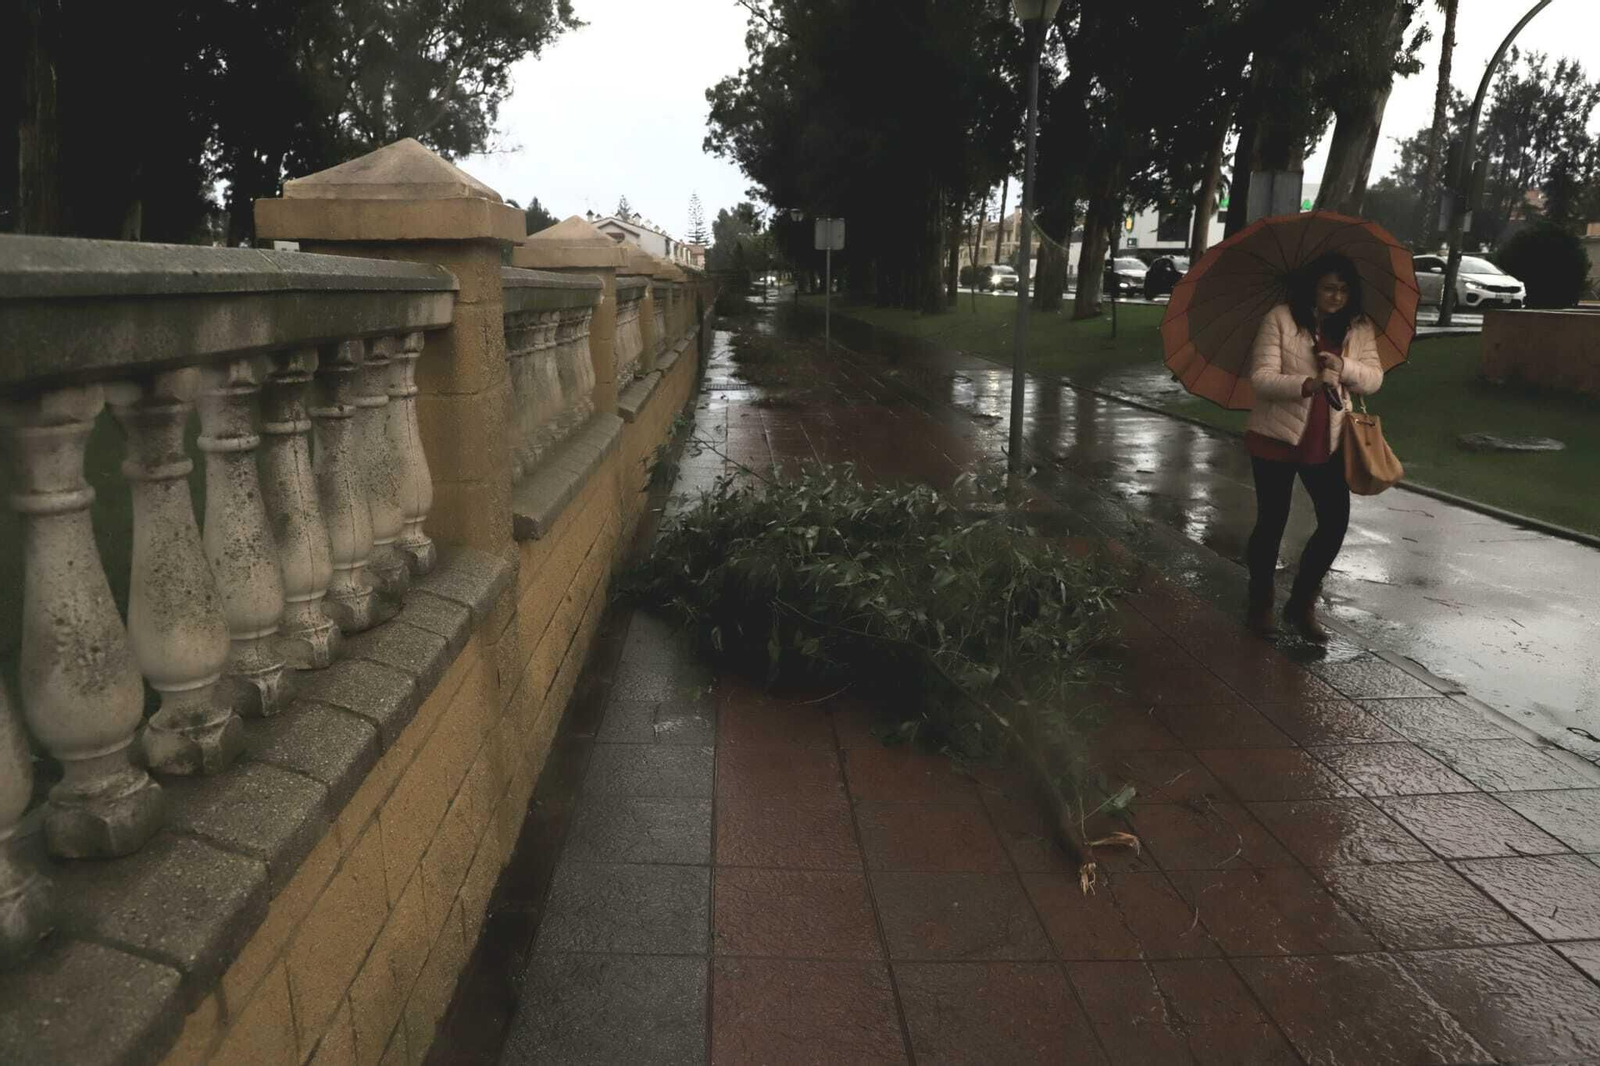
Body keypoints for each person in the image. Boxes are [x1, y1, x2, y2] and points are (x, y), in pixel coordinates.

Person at [1244, 253, 1385, 642]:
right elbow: (1261, 379)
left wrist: (1343, 368)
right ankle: (1260, 603)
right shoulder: (1281, 319)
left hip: (1330, 439)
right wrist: (1307, 384)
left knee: (1335, 521)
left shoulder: (1358, 328)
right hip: (1276, 436)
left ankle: (1302, 601)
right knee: (1272, 522)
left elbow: (1374, 379)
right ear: (1313, 287)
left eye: (1343, 289)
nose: (1336, 296)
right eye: (1328, 288)